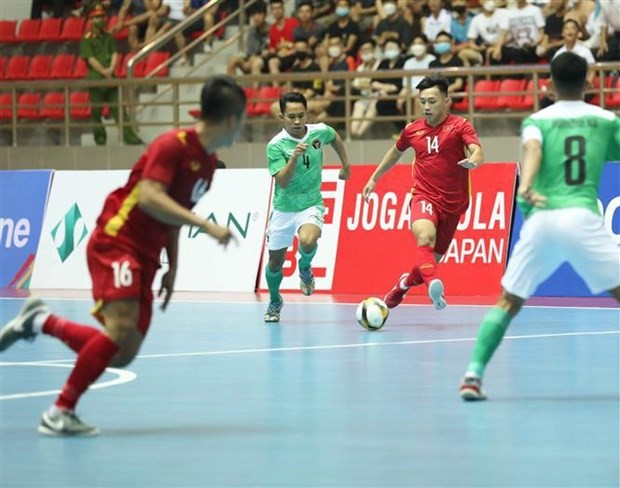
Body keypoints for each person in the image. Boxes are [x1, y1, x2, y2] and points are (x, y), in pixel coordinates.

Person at [0, 75, 246, 436]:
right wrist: (207, 226)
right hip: (118, 239)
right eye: (242, 118)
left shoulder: (208, 167)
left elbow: (172, 213)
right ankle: (60, 410)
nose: (242, 125)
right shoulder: (172, 145)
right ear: (230, 119)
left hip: (147, 254)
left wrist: (173, 267)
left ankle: (40, 322)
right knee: (120, 328)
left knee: (123, 349)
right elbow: (149, 197)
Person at [459, 52, 620, 402]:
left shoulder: (537, 120)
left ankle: (473, 375)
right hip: (581, 218)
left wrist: (527, 183)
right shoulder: (607, 120)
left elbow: (532, 150)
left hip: (542, 220)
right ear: (590, 82)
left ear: (548, 85)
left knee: (507, 302)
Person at [363, 75, 483, 312]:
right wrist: (374, 178)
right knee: (424, 238)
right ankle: (434, 287)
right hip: (424, 196)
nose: (427, 107)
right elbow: (395, 153)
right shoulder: (412, 130)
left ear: (446, 101)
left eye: (432, 101)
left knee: (426, 264)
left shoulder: (460, 125)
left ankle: (404, 284)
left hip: (453, 204)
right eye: (423, 102)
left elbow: (476, 149)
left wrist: (474, 160)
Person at [264, 92, 350, 323]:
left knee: (308, 240)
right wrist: (293, 159)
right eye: (291, 116)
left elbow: (334, 137)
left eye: (301, 115)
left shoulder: (318, 131)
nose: (297, 121)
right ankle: (274, 300)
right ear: (281, 117)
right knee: (275, 263)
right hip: (283, 208)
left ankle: (304, 267)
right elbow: (281, 181)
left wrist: (345, 164)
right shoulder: (275, 146)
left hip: (311, 203)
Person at [80, 4, 143, 146]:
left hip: (111, 78)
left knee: (119, 110)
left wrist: (111, 69)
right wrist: (103, 71)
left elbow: (114, 53)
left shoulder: (108, 37)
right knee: (96, 112)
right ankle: (100, 139)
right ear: (90, 20)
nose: (100, 19)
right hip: (96, 79)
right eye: (97, 17)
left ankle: (130, 138)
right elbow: (90, 58)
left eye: (102, 16)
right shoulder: (86, 39)